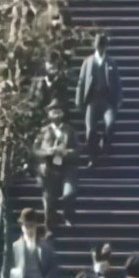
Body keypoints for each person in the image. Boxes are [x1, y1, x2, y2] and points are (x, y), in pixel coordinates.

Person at [76, 33, 122, 167]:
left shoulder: (111, 62)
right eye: (98, 46)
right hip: (92, 100)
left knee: (111, 123)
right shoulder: (88, 62)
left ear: (106, 46)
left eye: (102, 45)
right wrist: (79, 100)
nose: (100, 48)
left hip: (107, 100)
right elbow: (81, 81)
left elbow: (118, 83)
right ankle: (92, 156)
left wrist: (118, 99)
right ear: (94, 46)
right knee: (90, 130)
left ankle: (105, 143)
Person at [34, 99, 79, 233]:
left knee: (69, 194)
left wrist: (66, 152)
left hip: (67, 168)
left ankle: (68, 216)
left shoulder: (69, 131)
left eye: (59, 111)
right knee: (48, 200)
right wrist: (48, 151)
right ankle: (50, 228)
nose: (56, 114)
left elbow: (78, 150)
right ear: (49, 114)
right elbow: (34, 150)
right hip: (49, 167)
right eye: (53, 111)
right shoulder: (43, 131)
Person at [30, 52, 70, 117]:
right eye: (50, 63)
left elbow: (62, 100)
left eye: (54, 63)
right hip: (40, 115)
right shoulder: (38, 81)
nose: (52, 66)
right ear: (45, 64)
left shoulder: (62, 80)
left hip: (58, 115)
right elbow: (32, 99)